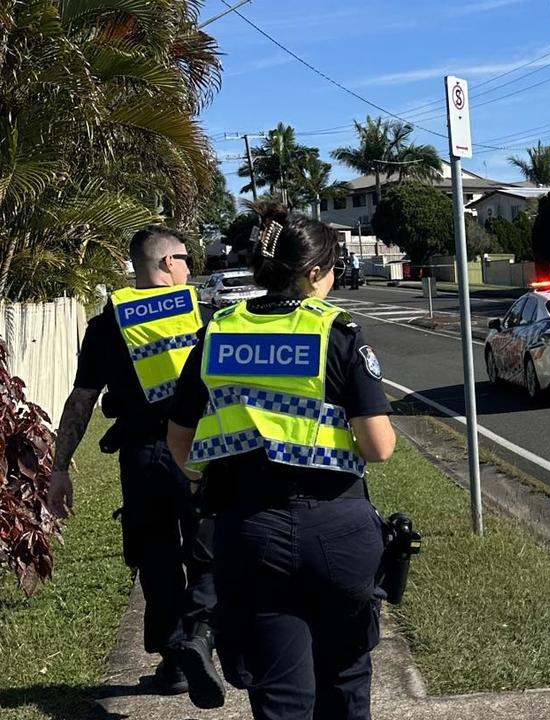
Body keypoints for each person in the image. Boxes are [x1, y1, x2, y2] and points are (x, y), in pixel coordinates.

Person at [166, 204, 396, 719]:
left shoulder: (218, 330)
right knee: (345, 681)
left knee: (279, 695)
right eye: (333, 267)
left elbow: (179, 441)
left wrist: (207, 474)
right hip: (337, 528)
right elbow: (379, 448)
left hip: (250, 530)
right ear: (314, 272)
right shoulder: (337, 331)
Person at [47, 226, 224, 706]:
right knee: (209, 547)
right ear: (167, 264)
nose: (191, 267)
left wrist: (60, 466)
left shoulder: (107, 324)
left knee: (155, 555)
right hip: (197, 450)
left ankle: (172, 663)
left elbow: (83, 399)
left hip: (142, 454)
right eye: (186, 258)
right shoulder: (203, 316)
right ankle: (199, 637)